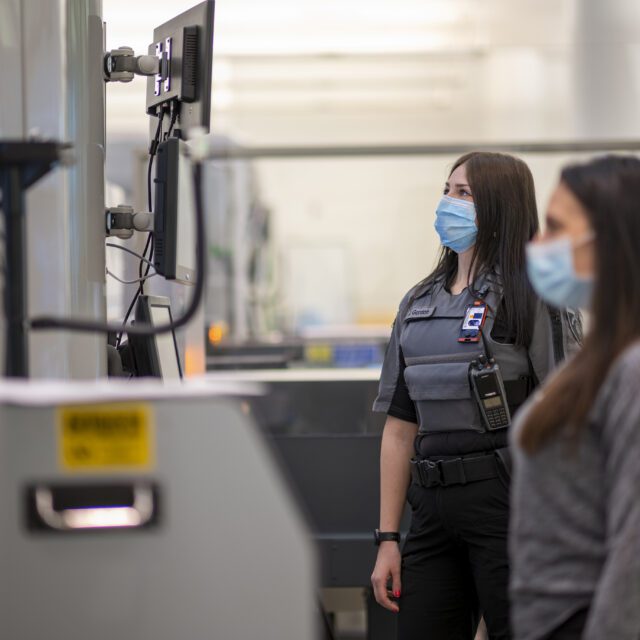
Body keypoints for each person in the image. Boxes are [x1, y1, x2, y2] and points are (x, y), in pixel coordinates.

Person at [370, 151, 581, 640]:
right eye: (447, 191)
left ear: (500, 207)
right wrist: (386, 539)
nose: (449, 203)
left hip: (510, 504)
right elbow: (400, 430)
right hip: (432, 508)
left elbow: (572, 417)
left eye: (464, 194)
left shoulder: (534, 293)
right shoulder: (419, 302)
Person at [510, 155, 640, 640]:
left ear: (611, 241)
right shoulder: (595, 358)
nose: (539, 244)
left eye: (556, 227)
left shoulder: (633, 370)